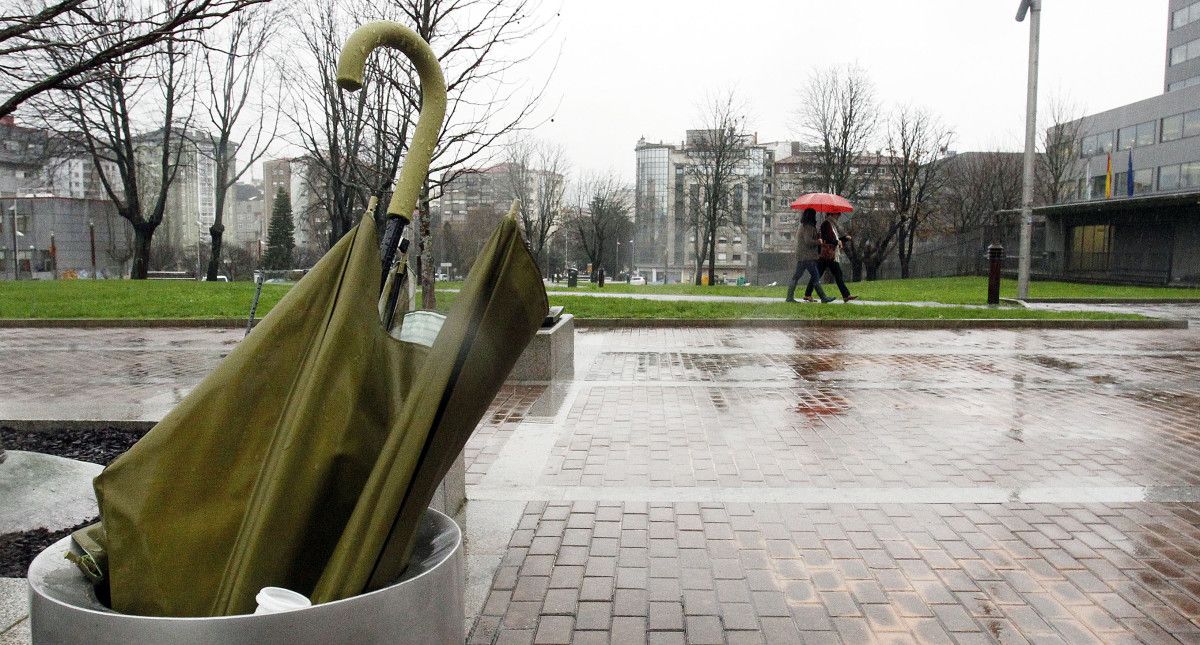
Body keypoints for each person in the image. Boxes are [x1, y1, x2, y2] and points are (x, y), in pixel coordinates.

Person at [805, 211, 858, 303]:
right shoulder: (826, 224)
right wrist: (838, 241)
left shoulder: (831, 224)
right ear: (832, 214)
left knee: (820, 275)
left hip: (828, 255)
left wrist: (844, 238)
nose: (839, 216)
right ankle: (846, 295)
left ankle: (808, 294)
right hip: (828, 254)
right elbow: (828, 239)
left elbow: (834, 239)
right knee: (837, 274)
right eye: (837, 214)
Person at [785, 208, 834, 303]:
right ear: (812, 216)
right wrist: (818, 242)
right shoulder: (809, 227)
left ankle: (789, 297)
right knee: (815, 276)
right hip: (808, 257)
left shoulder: (803, 225)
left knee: (796, 276)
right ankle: (823, 297)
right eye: (814, 215)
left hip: (802, 256)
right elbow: (808, 241)